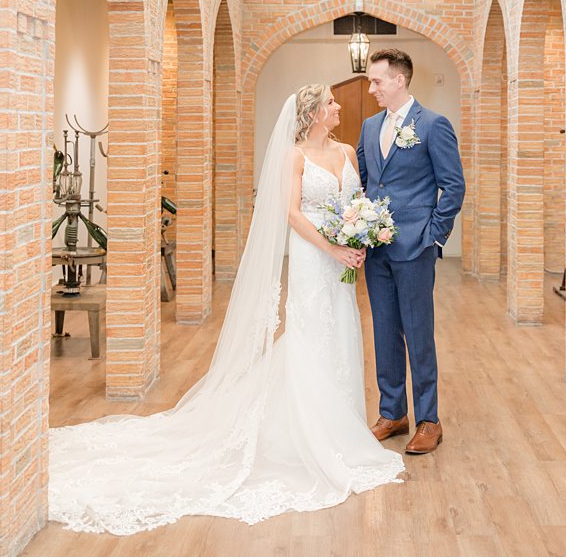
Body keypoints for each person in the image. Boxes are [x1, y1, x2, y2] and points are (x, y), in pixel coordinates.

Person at [48, 85, 404, 535]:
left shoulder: (349, 152)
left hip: (343, 260)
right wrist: (332, 247)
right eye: (331, 103)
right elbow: (292, 214)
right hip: (317, 257)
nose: (338, 108)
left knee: (344, 335)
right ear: (314, 113)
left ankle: (342, 427)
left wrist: (358, 237)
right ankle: (309, 437)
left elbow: (355, 203)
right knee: (311, 336)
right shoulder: (294, 156)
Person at [358, 48, 465, 455]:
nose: (372, 89)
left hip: (415, 245)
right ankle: (392, 413)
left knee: (418, 334)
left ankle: (428, 420)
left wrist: (433, 235)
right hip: (377, 249)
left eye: (377, 81)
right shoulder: (370, 127)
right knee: (384, 331)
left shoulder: (433, 125)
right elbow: (367, 182)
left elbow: (453, 186)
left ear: (399, 80)